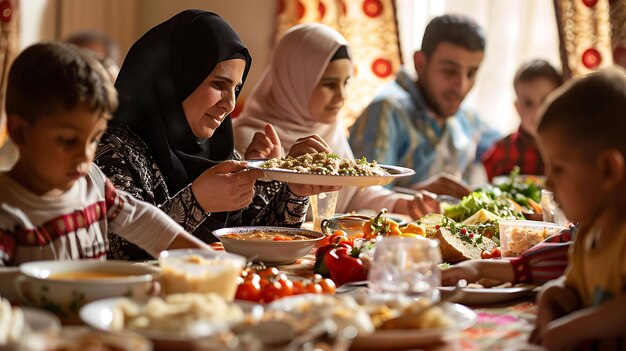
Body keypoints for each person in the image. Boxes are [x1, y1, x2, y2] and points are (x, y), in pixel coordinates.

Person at [95, 10, 337, 261]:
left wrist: (294, 190)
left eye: (237, 88)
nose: (230, 104)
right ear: (177, 78)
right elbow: (116, 249)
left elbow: (257, 242)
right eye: (219, 84)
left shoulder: (219, 151)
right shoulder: (112, 150)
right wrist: (196, 202)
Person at [0, 42, 214, 266]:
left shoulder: (93, 183)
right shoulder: (7, 211)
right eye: (68, 140)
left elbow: (144, 222)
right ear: (20, 132)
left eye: (93, 139)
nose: (84, 156)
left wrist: (211, 261)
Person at [233, 23, 440, 218]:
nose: (341, 95)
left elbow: (351, 196)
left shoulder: (330, 131)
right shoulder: (251, 141)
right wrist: (268, 174)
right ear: (293, 81)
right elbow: (246, 220)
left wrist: (404, 204)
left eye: (346, 82)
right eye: (329, 84)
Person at [349, 14, 500, 198]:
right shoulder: (387, 110)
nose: (462, 86)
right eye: (449, 71)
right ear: (420, 63)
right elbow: (360, 197)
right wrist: (419, 195)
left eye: (472, 72)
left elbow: (504, 148)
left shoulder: (466, 115)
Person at [528, 67, 626, 350]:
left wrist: (572, 330)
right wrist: (551, 297)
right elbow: (574, 291)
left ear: (607, 170)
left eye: (558, 168)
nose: (547, 181)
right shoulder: (588, 236)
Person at [482, 59, 563, 181]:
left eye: (546, 101)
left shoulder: (567, 151)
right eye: (528, 103)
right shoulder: (501, 152)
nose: (537, 112)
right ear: (517, 108)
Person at [441, 225, 575, 287]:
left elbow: (563, 260)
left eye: (559, 170)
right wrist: (478, 268)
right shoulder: (578, 232)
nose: (549, 185)